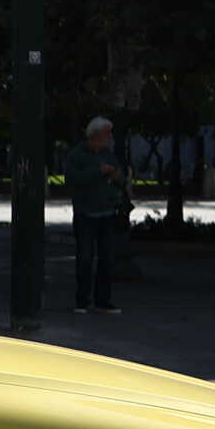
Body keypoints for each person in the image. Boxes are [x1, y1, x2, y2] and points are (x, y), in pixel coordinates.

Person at [63, 115, 127, 315]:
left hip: (107, 213)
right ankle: (82, 300)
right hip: (85, 214)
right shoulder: (77, 156)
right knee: (85, 257)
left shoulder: (109, 154)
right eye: (106, 134)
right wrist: (98, 172)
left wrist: (117, 177)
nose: (109, 138)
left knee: (107, 258)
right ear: (95, 135)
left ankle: (103, 300)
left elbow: (121, 178)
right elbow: (73, 180)